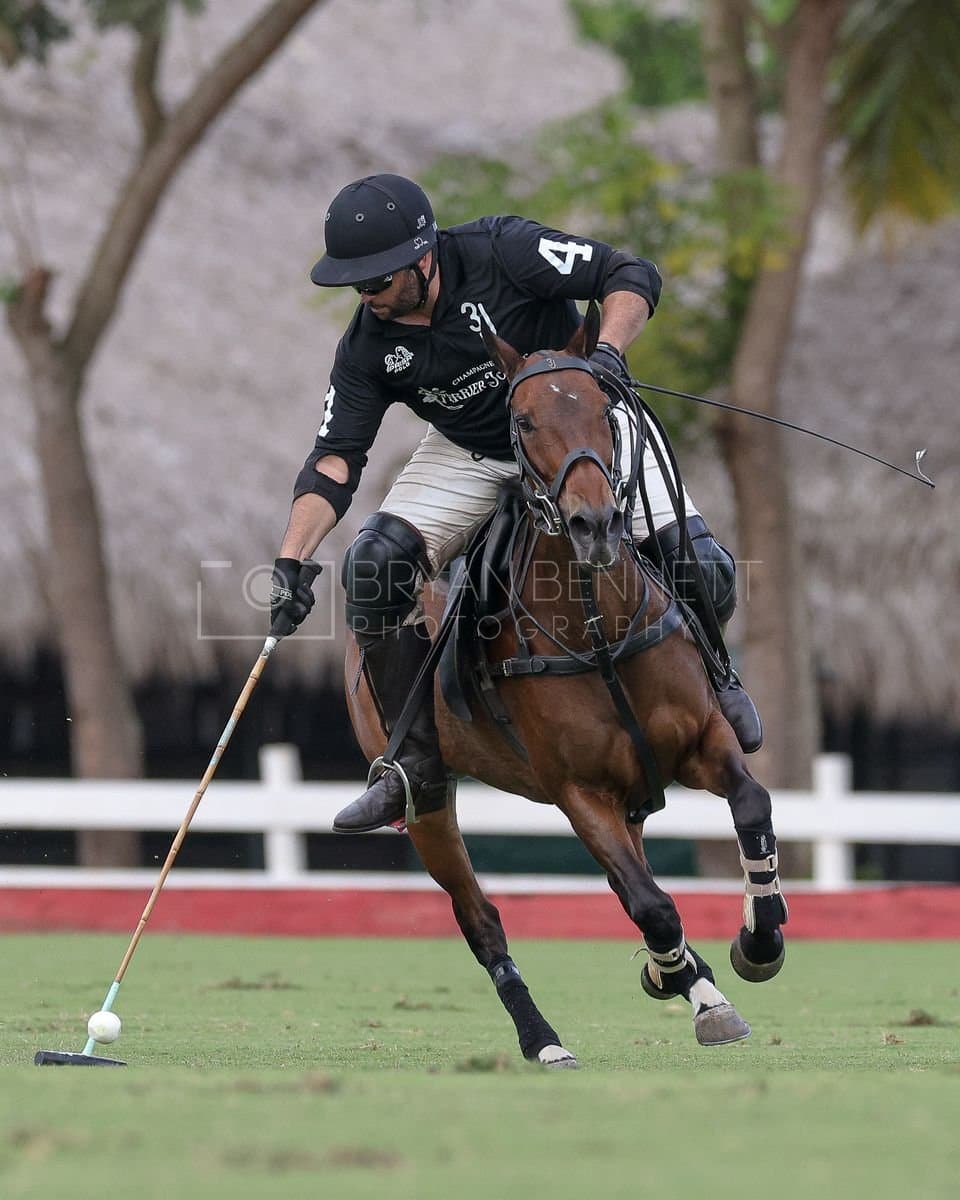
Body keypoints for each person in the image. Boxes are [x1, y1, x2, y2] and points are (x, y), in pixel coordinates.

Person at [271, 173, 762, 834]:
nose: (368, 296)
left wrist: (608, 354)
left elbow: (629, 273)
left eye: (378, 280)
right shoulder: (367, 346)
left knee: (703, 567)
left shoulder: (504, 251)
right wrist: (292, 560)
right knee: (373, 567)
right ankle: (410, 766)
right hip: (472, 451)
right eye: (356, 285)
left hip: (577, 428)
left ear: (423, 258)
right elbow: (334, 459)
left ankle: (719, 685)